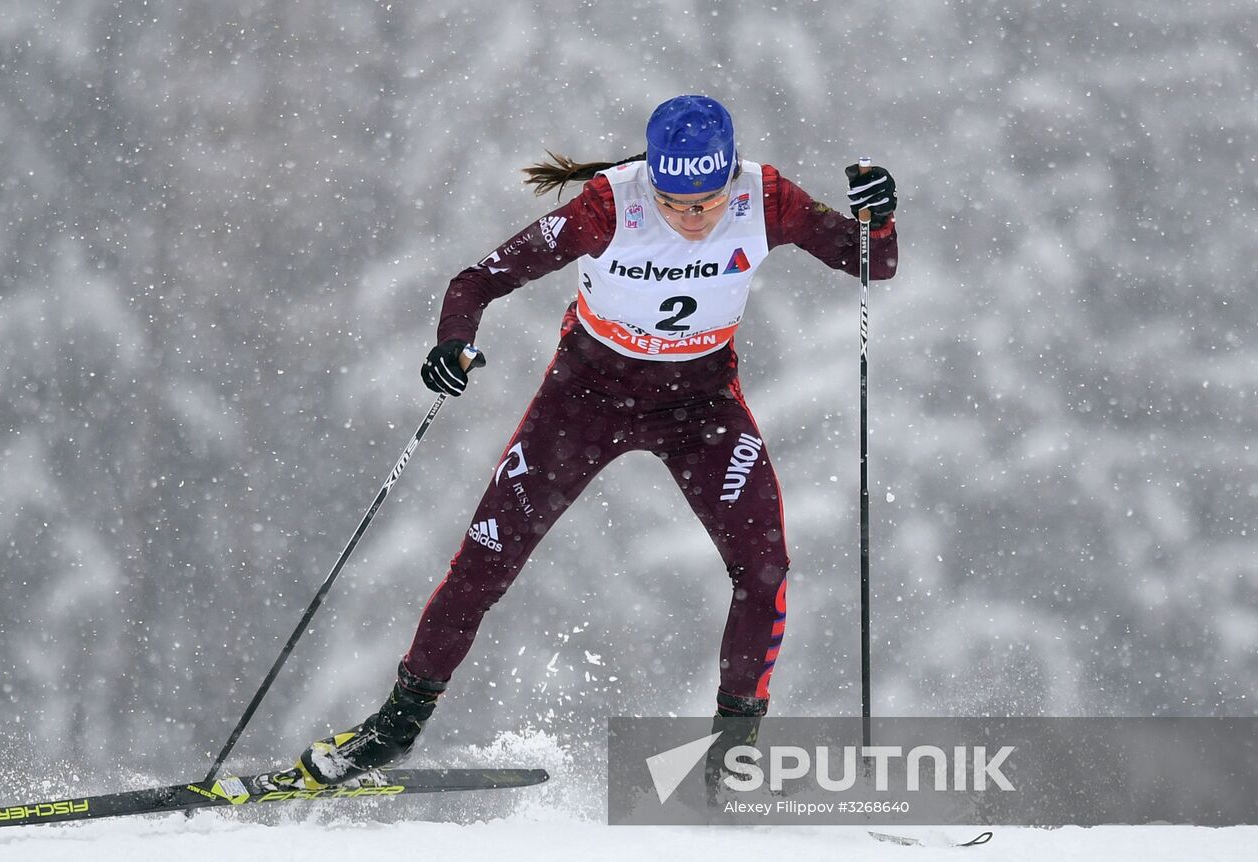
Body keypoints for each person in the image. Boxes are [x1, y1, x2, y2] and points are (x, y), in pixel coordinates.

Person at [260, 95, 898, 792]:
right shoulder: (605, 207)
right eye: (676, 204)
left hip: (701, 406)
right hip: (585, 401)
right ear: (651, 177)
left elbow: (871, 261)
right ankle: (395, 729)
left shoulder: (765, 197)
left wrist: (878, 214)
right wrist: (453, 343)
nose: (694, 221)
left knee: (765, 566)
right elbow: (477, 280)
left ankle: (731, 757)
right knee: (484, 564)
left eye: (708, 204)